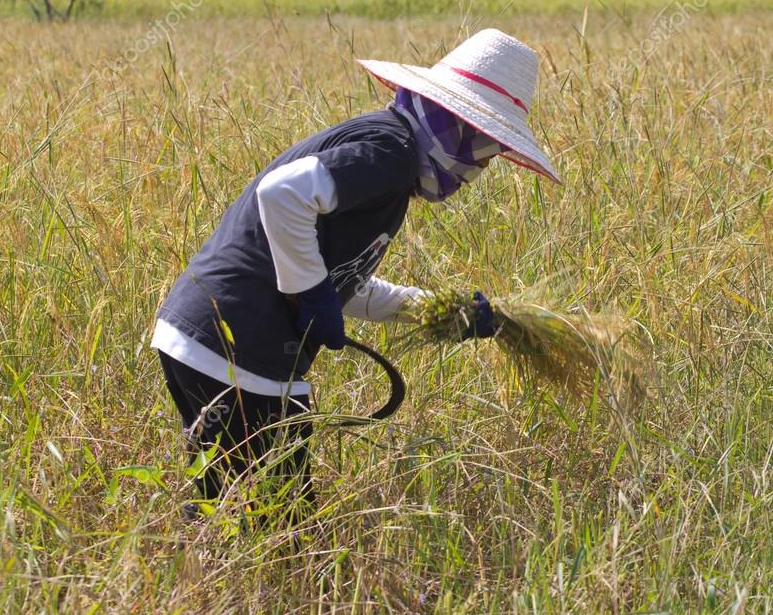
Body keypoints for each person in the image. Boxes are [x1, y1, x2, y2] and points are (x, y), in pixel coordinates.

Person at [153, 28, 561, 525]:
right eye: (482, 149)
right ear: (455, 126)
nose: (479, 168)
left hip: (200, 337)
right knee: (281, 531)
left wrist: (438, 311)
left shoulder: (391, 167)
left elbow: (340, 284)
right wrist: (312, 293)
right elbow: (281, 195)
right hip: (240, 343)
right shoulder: (392, 153)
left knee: (225, 512)